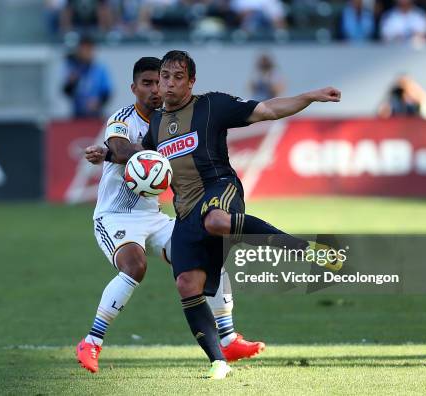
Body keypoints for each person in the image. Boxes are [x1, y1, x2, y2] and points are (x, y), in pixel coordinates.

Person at [89, 50, 342, 379]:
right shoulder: (155, 123)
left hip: (219, 188)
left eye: (177, 77)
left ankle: (302, 248)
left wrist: (309, 96)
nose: (168, 84)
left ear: (191, 82)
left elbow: (266, 110)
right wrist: (107, 154)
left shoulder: (211, 105)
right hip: (184, 209)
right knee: (186, 283)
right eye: (165, 77)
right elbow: (146, 157)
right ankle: (218, 360)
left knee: (217, 221)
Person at [76, 57, 265, 375]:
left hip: (153, 215)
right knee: (135, 266)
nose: (155, 89)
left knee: (207, 254)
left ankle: (229, 338)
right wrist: (112, 152)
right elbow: (121, 150)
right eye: (147, 83)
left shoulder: (171, 120)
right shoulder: (123, 118)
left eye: (159, 82)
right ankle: (91, 341)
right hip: (115, 217)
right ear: (134, 87)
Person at [63, 36, 113, 118]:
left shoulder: (100, 68)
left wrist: (98, 102)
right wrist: (71, 82)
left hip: (96, 114)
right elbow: (66, 92)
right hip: (77, 114)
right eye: (84, 49)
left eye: (89, 49)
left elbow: (107, 92)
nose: (87, 52)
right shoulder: (73, 68)